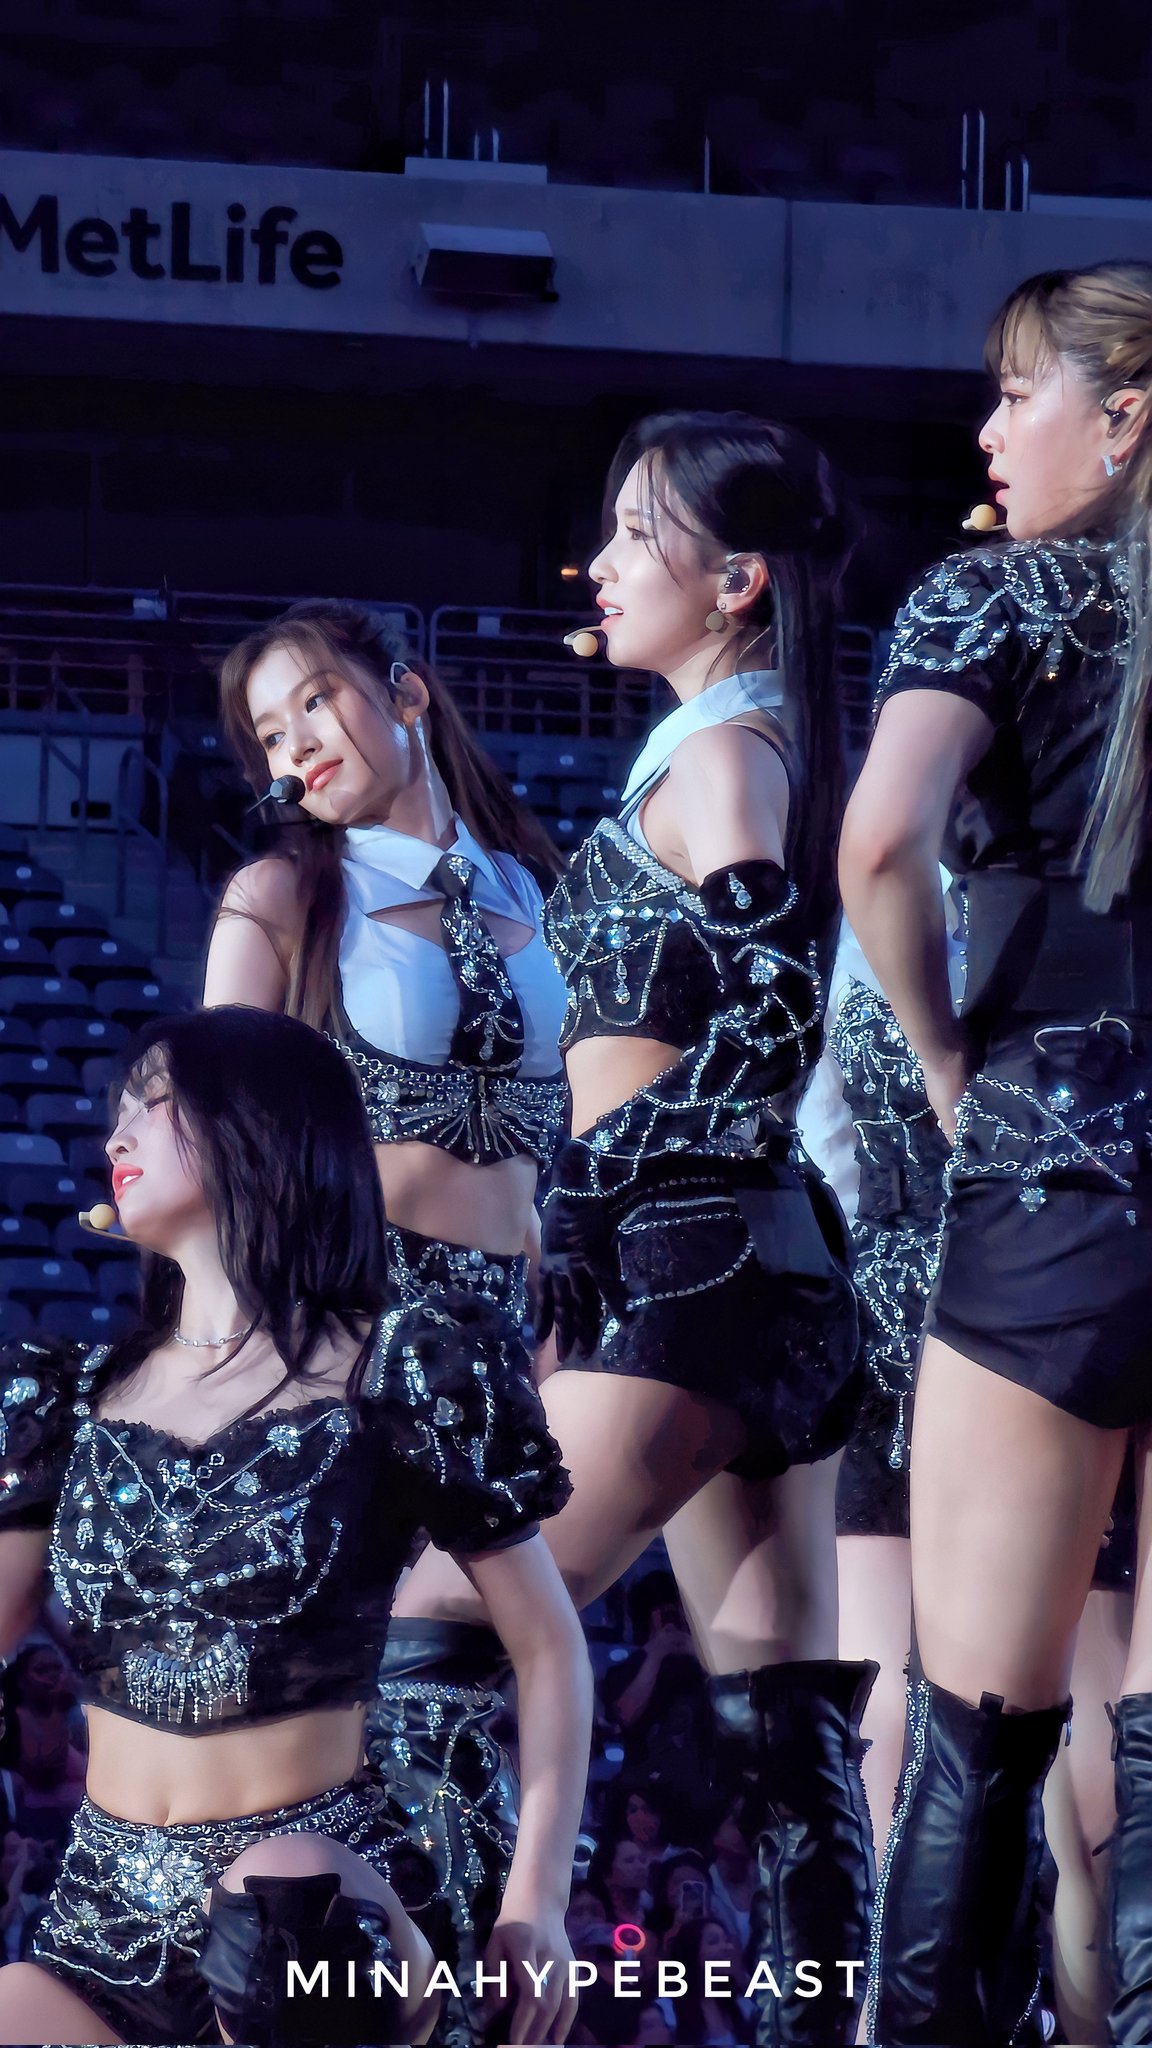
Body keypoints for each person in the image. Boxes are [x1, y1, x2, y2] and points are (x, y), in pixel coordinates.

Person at [398, 409, 872, 2045]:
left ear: (738, 582)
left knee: (439, 1626)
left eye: (633, 534)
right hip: (755, 1270)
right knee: (782, 1721)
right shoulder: (736, 742)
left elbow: (776, 1005)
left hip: (690, 1266)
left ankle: (442, 2009)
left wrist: (599, 1177)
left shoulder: (731, 756)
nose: (596, 563)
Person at [0, 1007, 586, 2048]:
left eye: (154, 1101)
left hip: (320, 1905)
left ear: (259, 1124)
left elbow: (548, 1647)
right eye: (118, 1112)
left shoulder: (401, 1371)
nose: (117, 1135)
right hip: (102, 1922)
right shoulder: (66, 1401)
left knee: (278, 1911)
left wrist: (536, 1899)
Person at [839, 259, 1152, 2045]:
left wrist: (945, 1053)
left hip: (1059, 1178)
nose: (986, 429)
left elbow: (878, 842)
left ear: (1125, 417)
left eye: (1018, 391)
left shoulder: (995, 593)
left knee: (976, 1723)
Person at [206, 599, 577, 2006]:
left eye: (317, 701)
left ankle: (475, 1987)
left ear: (408, 693)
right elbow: (220, 1161)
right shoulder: (286, 896)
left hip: (509, 1349)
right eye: (269, 732)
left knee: (474, 1695)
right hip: (351, 1341)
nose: (296, 746)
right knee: (391, 1706)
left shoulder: (536, 886)